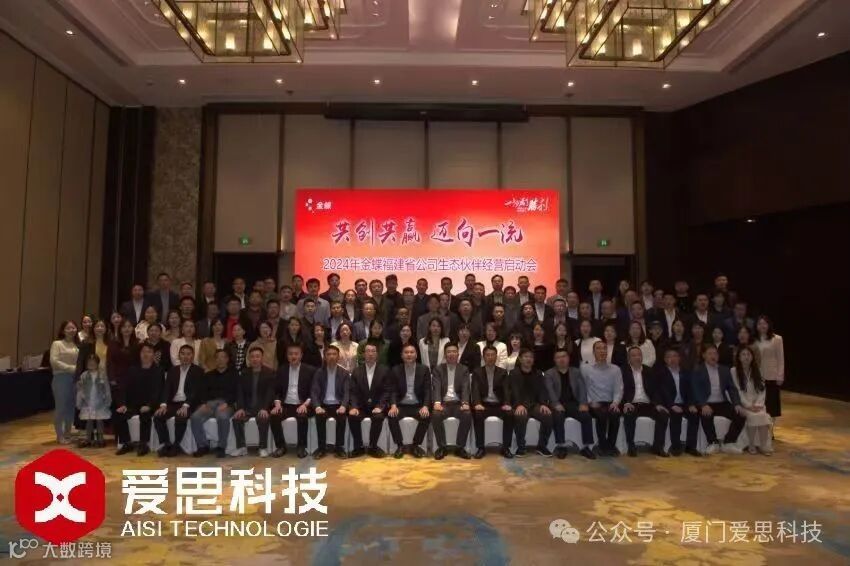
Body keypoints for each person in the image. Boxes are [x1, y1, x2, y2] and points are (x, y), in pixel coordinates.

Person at [540, 349, 596, 459]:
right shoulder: (549, 373)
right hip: (557, 403)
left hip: (573, 403)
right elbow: (550, 391)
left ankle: (586, 447)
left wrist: (583, 403)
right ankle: (561, 446)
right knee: (558, 416)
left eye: (564, 356)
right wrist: (556, 404)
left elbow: (582, 388)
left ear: (568, 358)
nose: (561, 359)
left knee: (586, 416)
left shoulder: (576, 372)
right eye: (558, 357)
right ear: (554, 360)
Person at [691, 344, 746, 455]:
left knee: (741, 415)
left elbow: (732, 389)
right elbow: (695, 389)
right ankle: (713, 442)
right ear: (704, 355)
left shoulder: (724, 370)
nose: (713, 356)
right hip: (706, 402)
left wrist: (737, 404)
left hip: (722, 402)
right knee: (706, 414)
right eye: (710, 353)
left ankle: (728, 442)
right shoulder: (698, 370)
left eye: (715, 353)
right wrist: (703, 404)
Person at [154, 344, 204, 457]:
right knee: (158, 416)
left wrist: (186, 405)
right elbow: (166, 388)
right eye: (183, 354)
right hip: (174, 403)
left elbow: (195, 391)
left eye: (188, 354)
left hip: (189, 403)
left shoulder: (198, 371)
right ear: (179, 356)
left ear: (193, 356)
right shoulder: (173, 370)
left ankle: (176, 445)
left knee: (181, 417)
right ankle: (167, 444)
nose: (185, 356)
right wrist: (163, 405)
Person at [114, 343, 163, 456]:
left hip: (150, 404)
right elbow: (124, 388)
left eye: (149, 352)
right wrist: (123, 404)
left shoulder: (158, 370)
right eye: (143, 352)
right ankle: (127, 443)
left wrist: (149, 405)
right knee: (119, 414)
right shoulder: (132, 369)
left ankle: (143, 444)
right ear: (140, 354)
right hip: (133, 404)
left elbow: (158, 391)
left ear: (153, 355)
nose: (146, 354)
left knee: (145, 415)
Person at [620, 346, 668, 457]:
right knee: (629, 414)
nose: (637, 357)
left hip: (647, 404)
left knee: (663, 414)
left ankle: (658, 447)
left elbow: (655, 390)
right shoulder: (623, 371)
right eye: (633, 355)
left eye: (639, 355)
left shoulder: (649, 371)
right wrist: (626, 403)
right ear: (628, 358)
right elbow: (619, 389)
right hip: (632, 403)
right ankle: (631, 446)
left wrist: (658, 404)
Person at [653, 348, 701, 457]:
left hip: (684, 403)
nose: (672, 359)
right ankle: (676, 446)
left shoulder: (686, 372)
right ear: (665, 360)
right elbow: (663, 391)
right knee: (676, 414)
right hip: (668, 403)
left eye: (675, 356)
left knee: (694, 414)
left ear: (679, 358)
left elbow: (690, 390)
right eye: (669, 357)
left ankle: (691, 447)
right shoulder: (661, 373)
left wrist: (691, 404)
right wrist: (672, 405)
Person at [387, 344, 432, 458]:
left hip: (417, 405)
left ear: (416, 355)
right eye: (406, 352)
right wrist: (393, 405)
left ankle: (415, 445)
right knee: (392, 416)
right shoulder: (396, 370)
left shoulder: (424, 369)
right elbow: (393, 391)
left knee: (426, 416)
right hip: (401, 405)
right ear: (402, 355)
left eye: (412, 352)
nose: (409, 355)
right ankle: (400, 446)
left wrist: (425, 406)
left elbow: (427, 390)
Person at [270, 344, 316, 458]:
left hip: (303, 404)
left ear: (301, 355)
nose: (293, 356)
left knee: (302, 416)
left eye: (296, 354)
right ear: (287, 356)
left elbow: (314, 391)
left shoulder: (310, 370)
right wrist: (277, 404)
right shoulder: (282, 370)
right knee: (274, 416)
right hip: (286, 405)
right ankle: (281, 446)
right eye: (290, 354)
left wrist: (305, 404)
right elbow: (277, 390)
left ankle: (301, 447)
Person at [190, 349, 237, 458]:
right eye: (217, 357)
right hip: (210, 403)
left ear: (227, 359)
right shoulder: (208, 375)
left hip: (226, 403)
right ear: (215, 360)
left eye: (223, 357)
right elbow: (202, 391)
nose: (220, 360)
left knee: (222, 416)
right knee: (195, 417)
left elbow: (237, 392)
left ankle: (221, 447)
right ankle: (203, 446)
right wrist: (204, 403)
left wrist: (227, 403)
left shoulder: (234, 375)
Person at [348, 342, 392, 457]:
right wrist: (354, 407)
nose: (370, 354)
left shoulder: (385, 370)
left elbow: (387, 391)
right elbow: (353, 392)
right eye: (368, 351)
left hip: (377, 406)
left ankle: (373, 447)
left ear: (377, 354)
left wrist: (380, 406)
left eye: (373, 351)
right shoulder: (357, 371)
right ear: (364, 354)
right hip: (361, 406)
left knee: (378, 417)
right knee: (352, 416)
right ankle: (358, 447)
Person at [232, 347, 277, 457]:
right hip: (247, 407)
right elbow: (240, 392)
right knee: (236, 419)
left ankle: (262, 447)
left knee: (263, 418)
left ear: (262, 358)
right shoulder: (244, 373)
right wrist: (240, 408)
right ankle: (241, 447)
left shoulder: (270, 373)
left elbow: (270, 393)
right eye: (252, 357)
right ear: (249, 359)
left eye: (257, 356)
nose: (255, 359)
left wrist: (265, 408)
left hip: (262, 407)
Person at [580, 341, 623, 456]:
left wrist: (615, 403)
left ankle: (611, 445)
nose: (602, 351)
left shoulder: (615, 369)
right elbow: (583, 388)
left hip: (610, 402)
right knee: (602, 415)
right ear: (593, 352)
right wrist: (590, 402)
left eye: (604, 348)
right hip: (594, 403)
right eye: (598, 349)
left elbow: (619, 389)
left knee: (615, 415)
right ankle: (602, 446)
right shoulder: (586, 369)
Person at [430, 343, 473, 460]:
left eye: (454, 351)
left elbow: (465, 387)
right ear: (445, 355)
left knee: (467, 414)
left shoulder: (463, 369)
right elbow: (436, 387)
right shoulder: (438, 369)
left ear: (458, 354)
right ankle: (442, 447)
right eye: (449, 352)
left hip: (458, 403)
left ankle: (460, 447)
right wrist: (437, 402)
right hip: (443, 404)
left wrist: (465, 402)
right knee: (436, 414)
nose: (451, 354)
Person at [470, 345, 513, 459]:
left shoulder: (502, 372)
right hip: (484, 404)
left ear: (496, 356)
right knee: (477, 415)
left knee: (509, 414)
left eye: (492, 355)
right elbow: (475, 389)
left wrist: (507, 403)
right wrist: (477, 403)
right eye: (487, 355)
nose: (490, 357)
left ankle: (505, 448)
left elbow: (507, 390)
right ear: (483, 357)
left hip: (499, 405)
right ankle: (480, 448)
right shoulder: (477, 372)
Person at [310, 345, 350, 459]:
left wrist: (343, 406)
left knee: (342, 417)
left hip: (338, 404)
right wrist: (317, 406)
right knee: (319, 417)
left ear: (338, 357)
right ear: (324, 357)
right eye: (328, 354)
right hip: (324, 405)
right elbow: (314, 391)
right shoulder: (319, 372)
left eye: (334, 354)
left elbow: (347, 392)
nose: (331, 357)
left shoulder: (344, 373)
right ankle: (321, 448)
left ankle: (339, 448)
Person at [732, 345, 773, 455]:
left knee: (763, 415)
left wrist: (758, 404)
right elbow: (737, 391)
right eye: (743, 354)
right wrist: (748, 406)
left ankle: (763, 445)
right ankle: (751, 444)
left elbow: (762, 390)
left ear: (752, 357)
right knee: (753, 416)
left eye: (748, 354)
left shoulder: (758, 370)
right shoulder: (734, 371)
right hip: (744, 404)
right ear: (739, 357)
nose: (746, 357)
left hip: (757, 404)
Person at [505, 348, 543, 457]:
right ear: (520, 359)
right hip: (520, 405)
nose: (528, 359)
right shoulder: (513, 373)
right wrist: (518, 405)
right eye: (526, 356)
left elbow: (542, 391)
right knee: (520, 416)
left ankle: (542, 446)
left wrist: (544, 404)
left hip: (534, 405)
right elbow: (512, 392)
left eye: (531, 357)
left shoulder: (538, 373)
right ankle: (521, 447)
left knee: (547, 415)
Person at [50, 321, 80, 444]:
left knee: (71, 408)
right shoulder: (57, 344)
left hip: (75, 379)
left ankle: (67, 433)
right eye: (68, 328)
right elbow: (54, 361)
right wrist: (71, 368)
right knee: (61, 407)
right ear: (63, 330)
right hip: (61, 378)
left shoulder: (77, 345)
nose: (71, 330)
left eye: (73, 328)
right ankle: (59, 435)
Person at [75, 353, 111, 448]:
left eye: (93, 362)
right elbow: (80, 389)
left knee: (99, 420)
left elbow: (107, 388)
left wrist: (108, 400)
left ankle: (100, 439)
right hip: (88, 402)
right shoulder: (84, 375)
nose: (91, 364)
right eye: (89, 362)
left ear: (97, 363)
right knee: (89, 420)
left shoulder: (102, 375)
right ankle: (88, 439)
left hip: (100, 401)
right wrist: (79, 401)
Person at [755, 315, 784, 421]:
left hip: (772, 376)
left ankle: (770, 428)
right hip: (758, 376)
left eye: (764, 323)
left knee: (772, 406)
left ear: (768, 325)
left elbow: (780, 358)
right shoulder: (754, 340)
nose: (762, 326)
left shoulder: (777, 339)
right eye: (759, 323)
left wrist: (780, 376)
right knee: (760, 404)